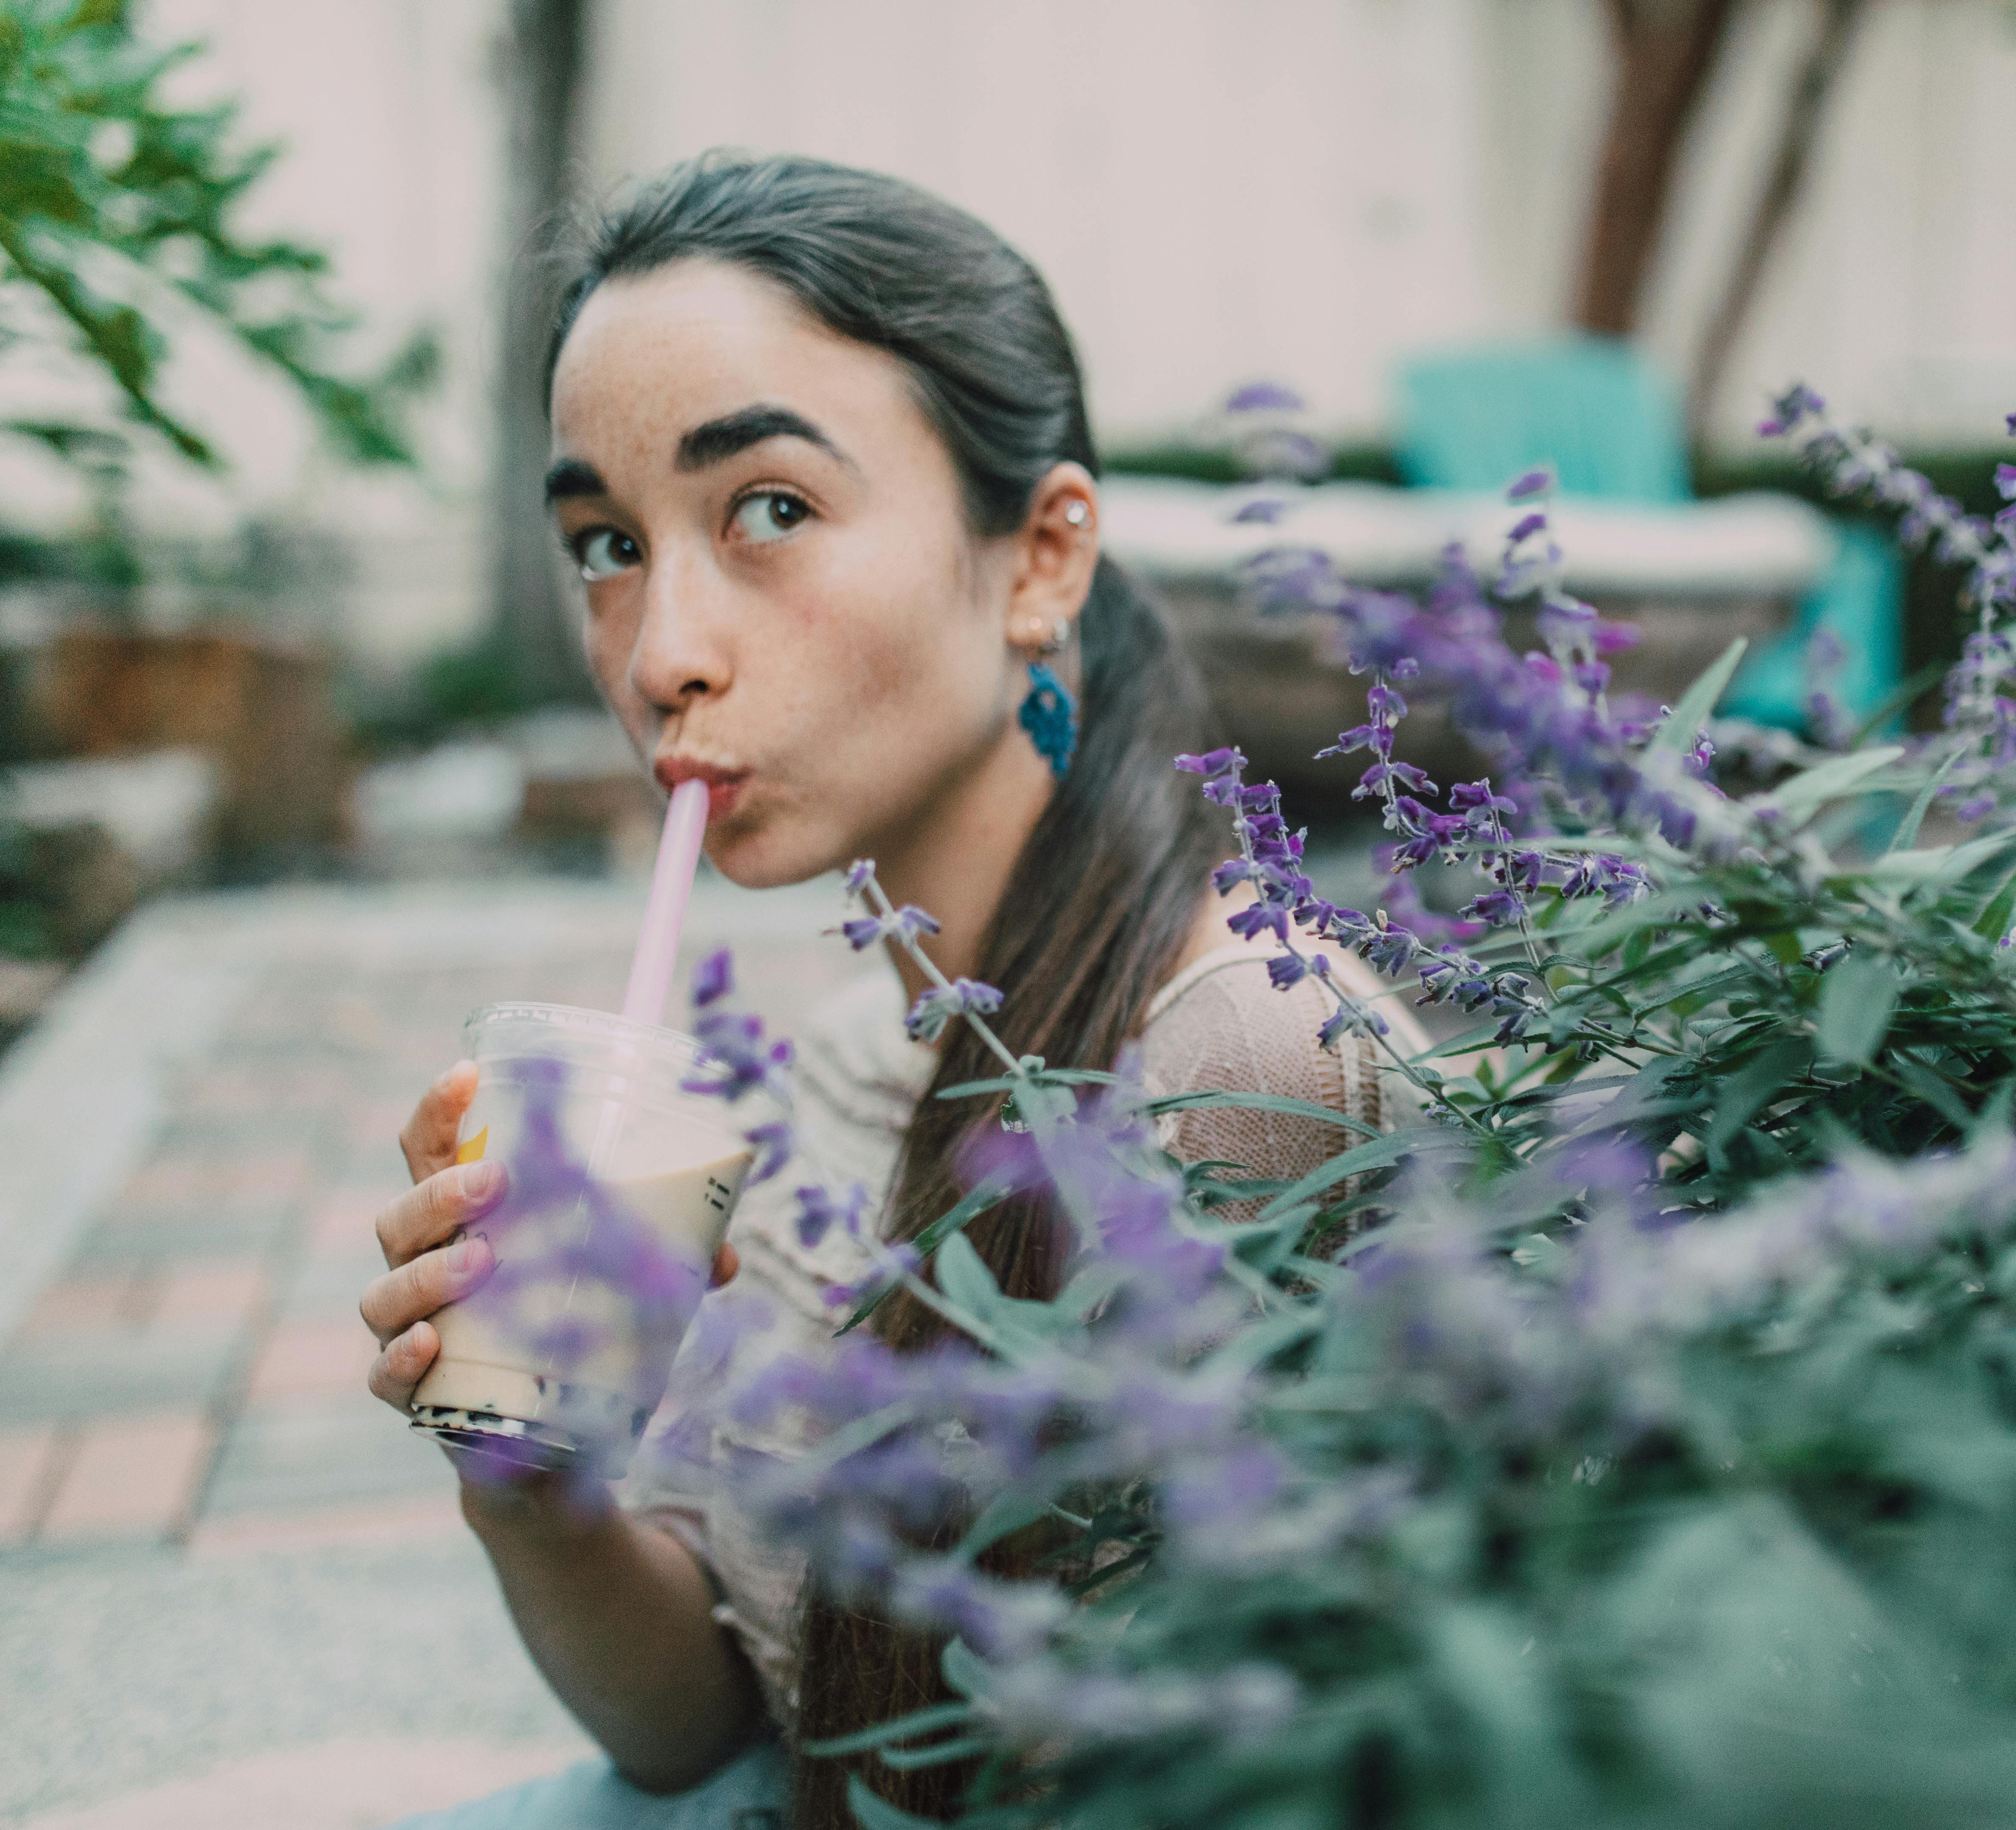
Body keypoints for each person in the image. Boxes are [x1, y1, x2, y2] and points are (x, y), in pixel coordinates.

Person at [357, 154, 1425, 1829]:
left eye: (768, 508)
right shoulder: (851, 1058)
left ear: (1041, 555)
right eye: (607, 544)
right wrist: (539, 1492)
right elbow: (717, 1725)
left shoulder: (1249, 1062)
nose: (657, 654)